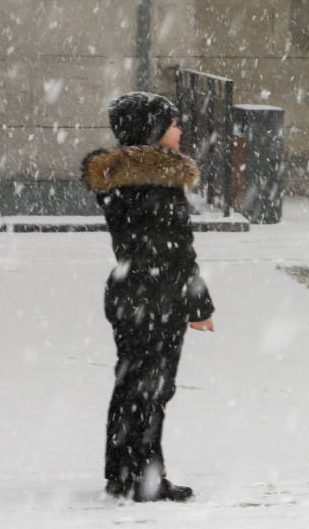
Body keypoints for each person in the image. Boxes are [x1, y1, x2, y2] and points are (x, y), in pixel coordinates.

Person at [82, 92, 215, 501]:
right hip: (157, 297)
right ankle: (144, 478)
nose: (180, 130)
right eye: (172, 124)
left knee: (131, 385)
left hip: (130, 294)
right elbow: (176, 250)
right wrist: (199, 305)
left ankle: (122, 473)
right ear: (153, 130)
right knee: (152, 390)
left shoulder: (121, 180)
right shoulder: (158, 182)